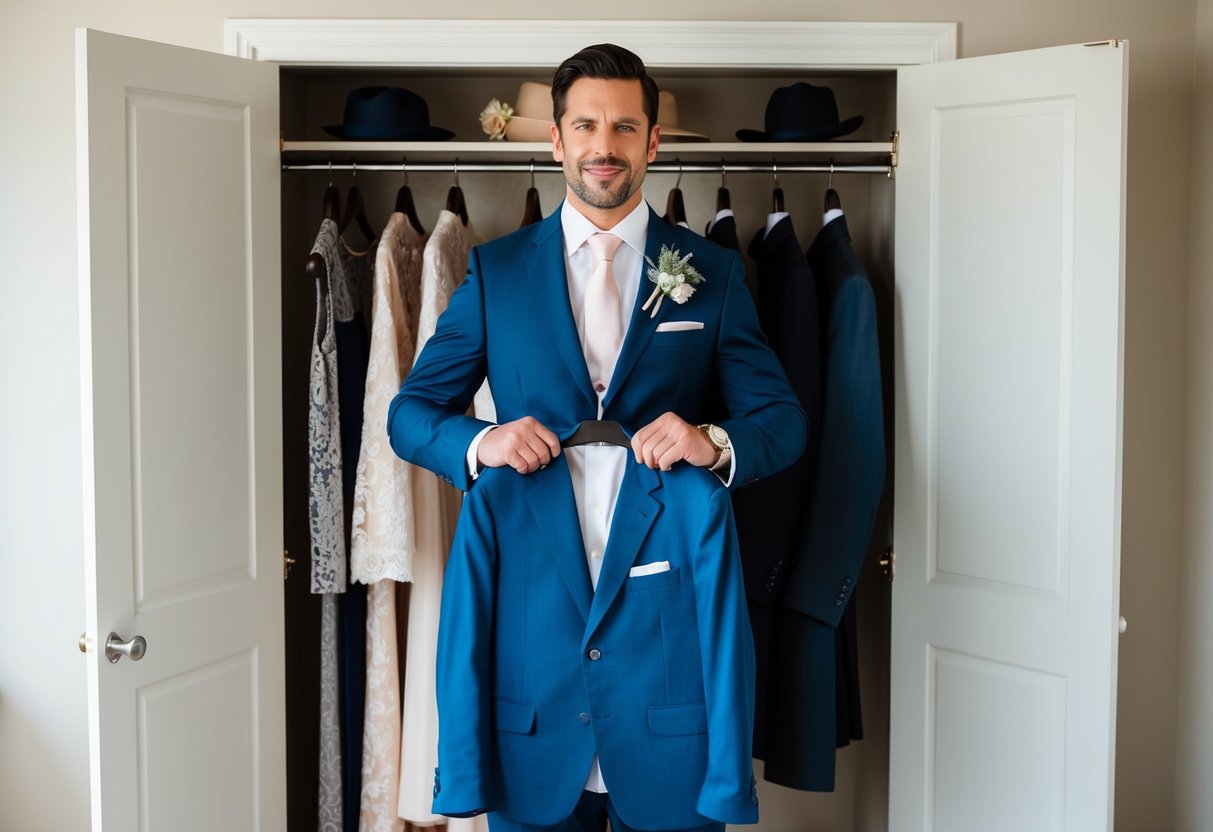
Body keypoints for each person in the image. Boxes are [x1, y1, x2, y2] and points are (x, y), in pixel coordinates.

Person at [387, 42, 806, 832]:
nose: (602, 147)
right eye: (584, 125)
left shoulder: (712, 275)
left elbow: (781, 423)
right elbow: (408, 415)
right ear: (556, 140)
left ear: (652, 142)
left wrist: (710, 440)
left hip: (665, 677)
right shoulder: (497, 271)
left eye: (623, 127)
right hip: (531, 706)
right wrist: (482, 442)